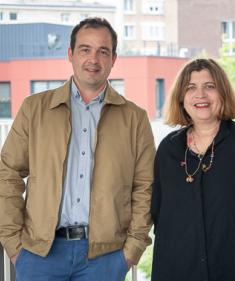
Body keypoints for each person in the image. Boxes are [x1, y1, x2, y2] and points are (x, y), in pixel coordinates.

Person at [0, 17, 156, 281]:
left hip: (105, 259)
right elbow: (8, 174)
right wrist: (13, 242)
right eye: (85, 49)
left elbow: (146, 186)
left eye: (102, 51)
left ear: (113, 58)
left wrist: (132, 250)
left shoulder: (135, 118)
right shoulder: (34, 109)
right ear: (70, 54)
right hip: (39, 256)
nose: (93, 59)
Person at [150, 58, 235, 281]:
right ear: (181, 98)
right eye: (191, 87)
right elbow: (159, 214)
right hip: (177, 270)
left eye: (209, 87)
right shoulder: (168, 150)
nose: (200, 95)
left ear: (223, 93)